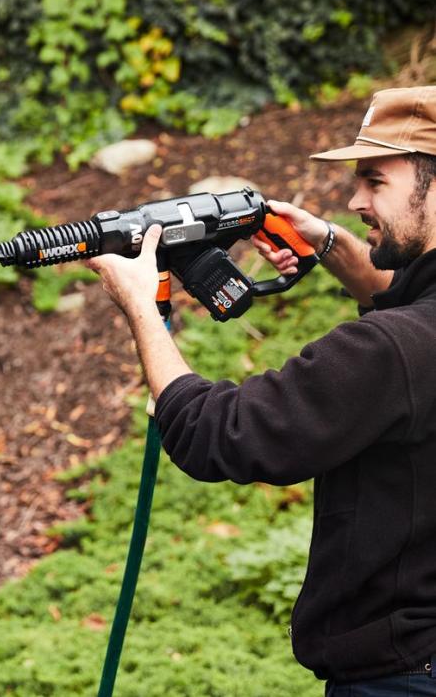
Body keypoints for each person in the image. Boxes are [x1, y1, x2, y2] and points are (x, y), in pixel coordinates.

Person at [85, 85, 436, 695]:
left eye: (375, 181)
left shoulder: (392, 352)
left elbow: (216, 435)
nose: (354, 199)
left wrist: (143, 307)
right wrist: (327, 242)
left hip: (402, 677)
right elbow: (406, 294)